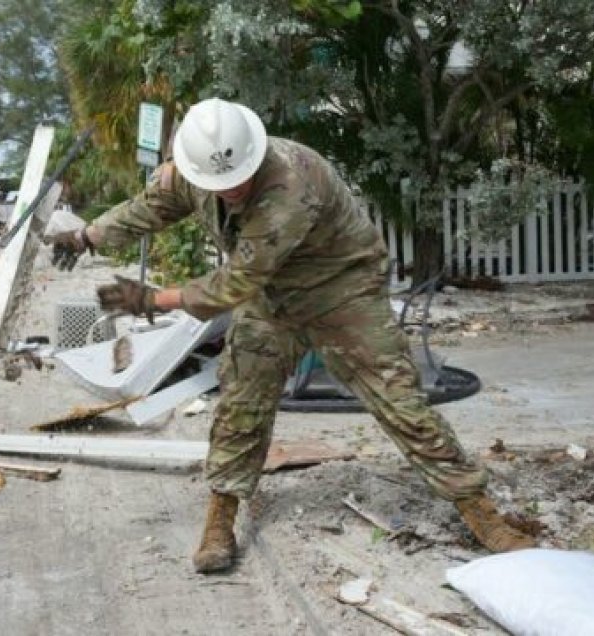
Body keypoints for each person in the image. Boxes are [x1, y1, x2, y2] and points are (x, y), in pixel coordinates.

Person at [48, 98, 536, 574]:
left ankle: (480, 513)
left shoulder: (289, 184)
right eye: (221, 182)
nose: (232, 188)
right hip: (271, 300)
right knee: (241, 403)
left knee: (399, 402)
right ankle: (221, 514)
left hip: (340, 292)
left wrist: (151, 299)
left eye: (239, 178)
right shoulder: (195, 173)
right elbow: (152, 205)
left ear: (254, 155)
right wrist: (89, 236)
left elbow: (236, 284)